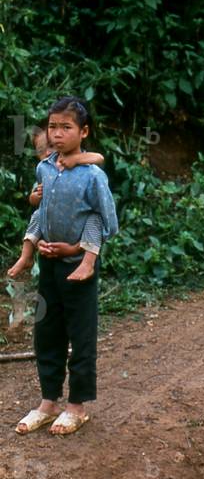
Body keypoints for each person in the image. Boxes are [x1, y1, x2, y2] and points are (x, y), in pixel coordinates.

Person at [11, 96, 119, 436]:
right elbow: (38, 204)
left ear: (83, 132)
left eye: (66, 128)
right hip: (50, 264)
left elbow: (107, 221)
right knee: (47, 332)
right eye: (52, 127)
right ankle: (49, 402)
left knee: (81, 336)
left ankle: (77, 407)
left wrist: (77, 248)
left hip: (78, 261)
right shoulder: (45, 168)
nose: (57, 134)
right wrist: (38, 240)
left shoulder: (93, 175)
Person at [7, 126, 106, 282]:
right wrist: (36, 195)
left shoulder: (82, 166)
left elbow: (99, 158)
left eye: (51, 146)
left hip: (78, 230)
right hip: (51, 235)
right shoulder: (45, 170)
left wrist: (76, 159)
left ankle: (88, 263)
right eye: (41, 150)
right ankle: (26, 256)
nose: (47, 153)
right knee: (37, 214)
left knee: (94, 221)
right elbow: (33, 201)